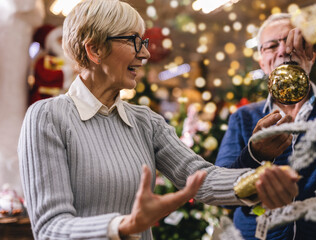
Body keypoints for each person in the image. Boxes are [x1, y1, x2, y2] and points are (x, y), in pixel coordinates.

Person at [17, 1, 299, 240]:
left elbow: (201, 179)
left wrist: (259, 179)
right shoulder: (47, 118)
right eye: (133, 41)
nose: (146, 53)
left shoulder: (145, 122)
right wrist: (123, 226)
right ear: (95, 50)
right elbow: (50, 228)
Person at [216, 13, 316, 240]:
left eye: (294, 42)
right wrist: (254, 155)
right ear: (262, 63)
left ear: (313, 54)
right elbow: (222, 188)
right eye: (272, 46)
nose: (283, 51)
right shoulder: (244, 117)